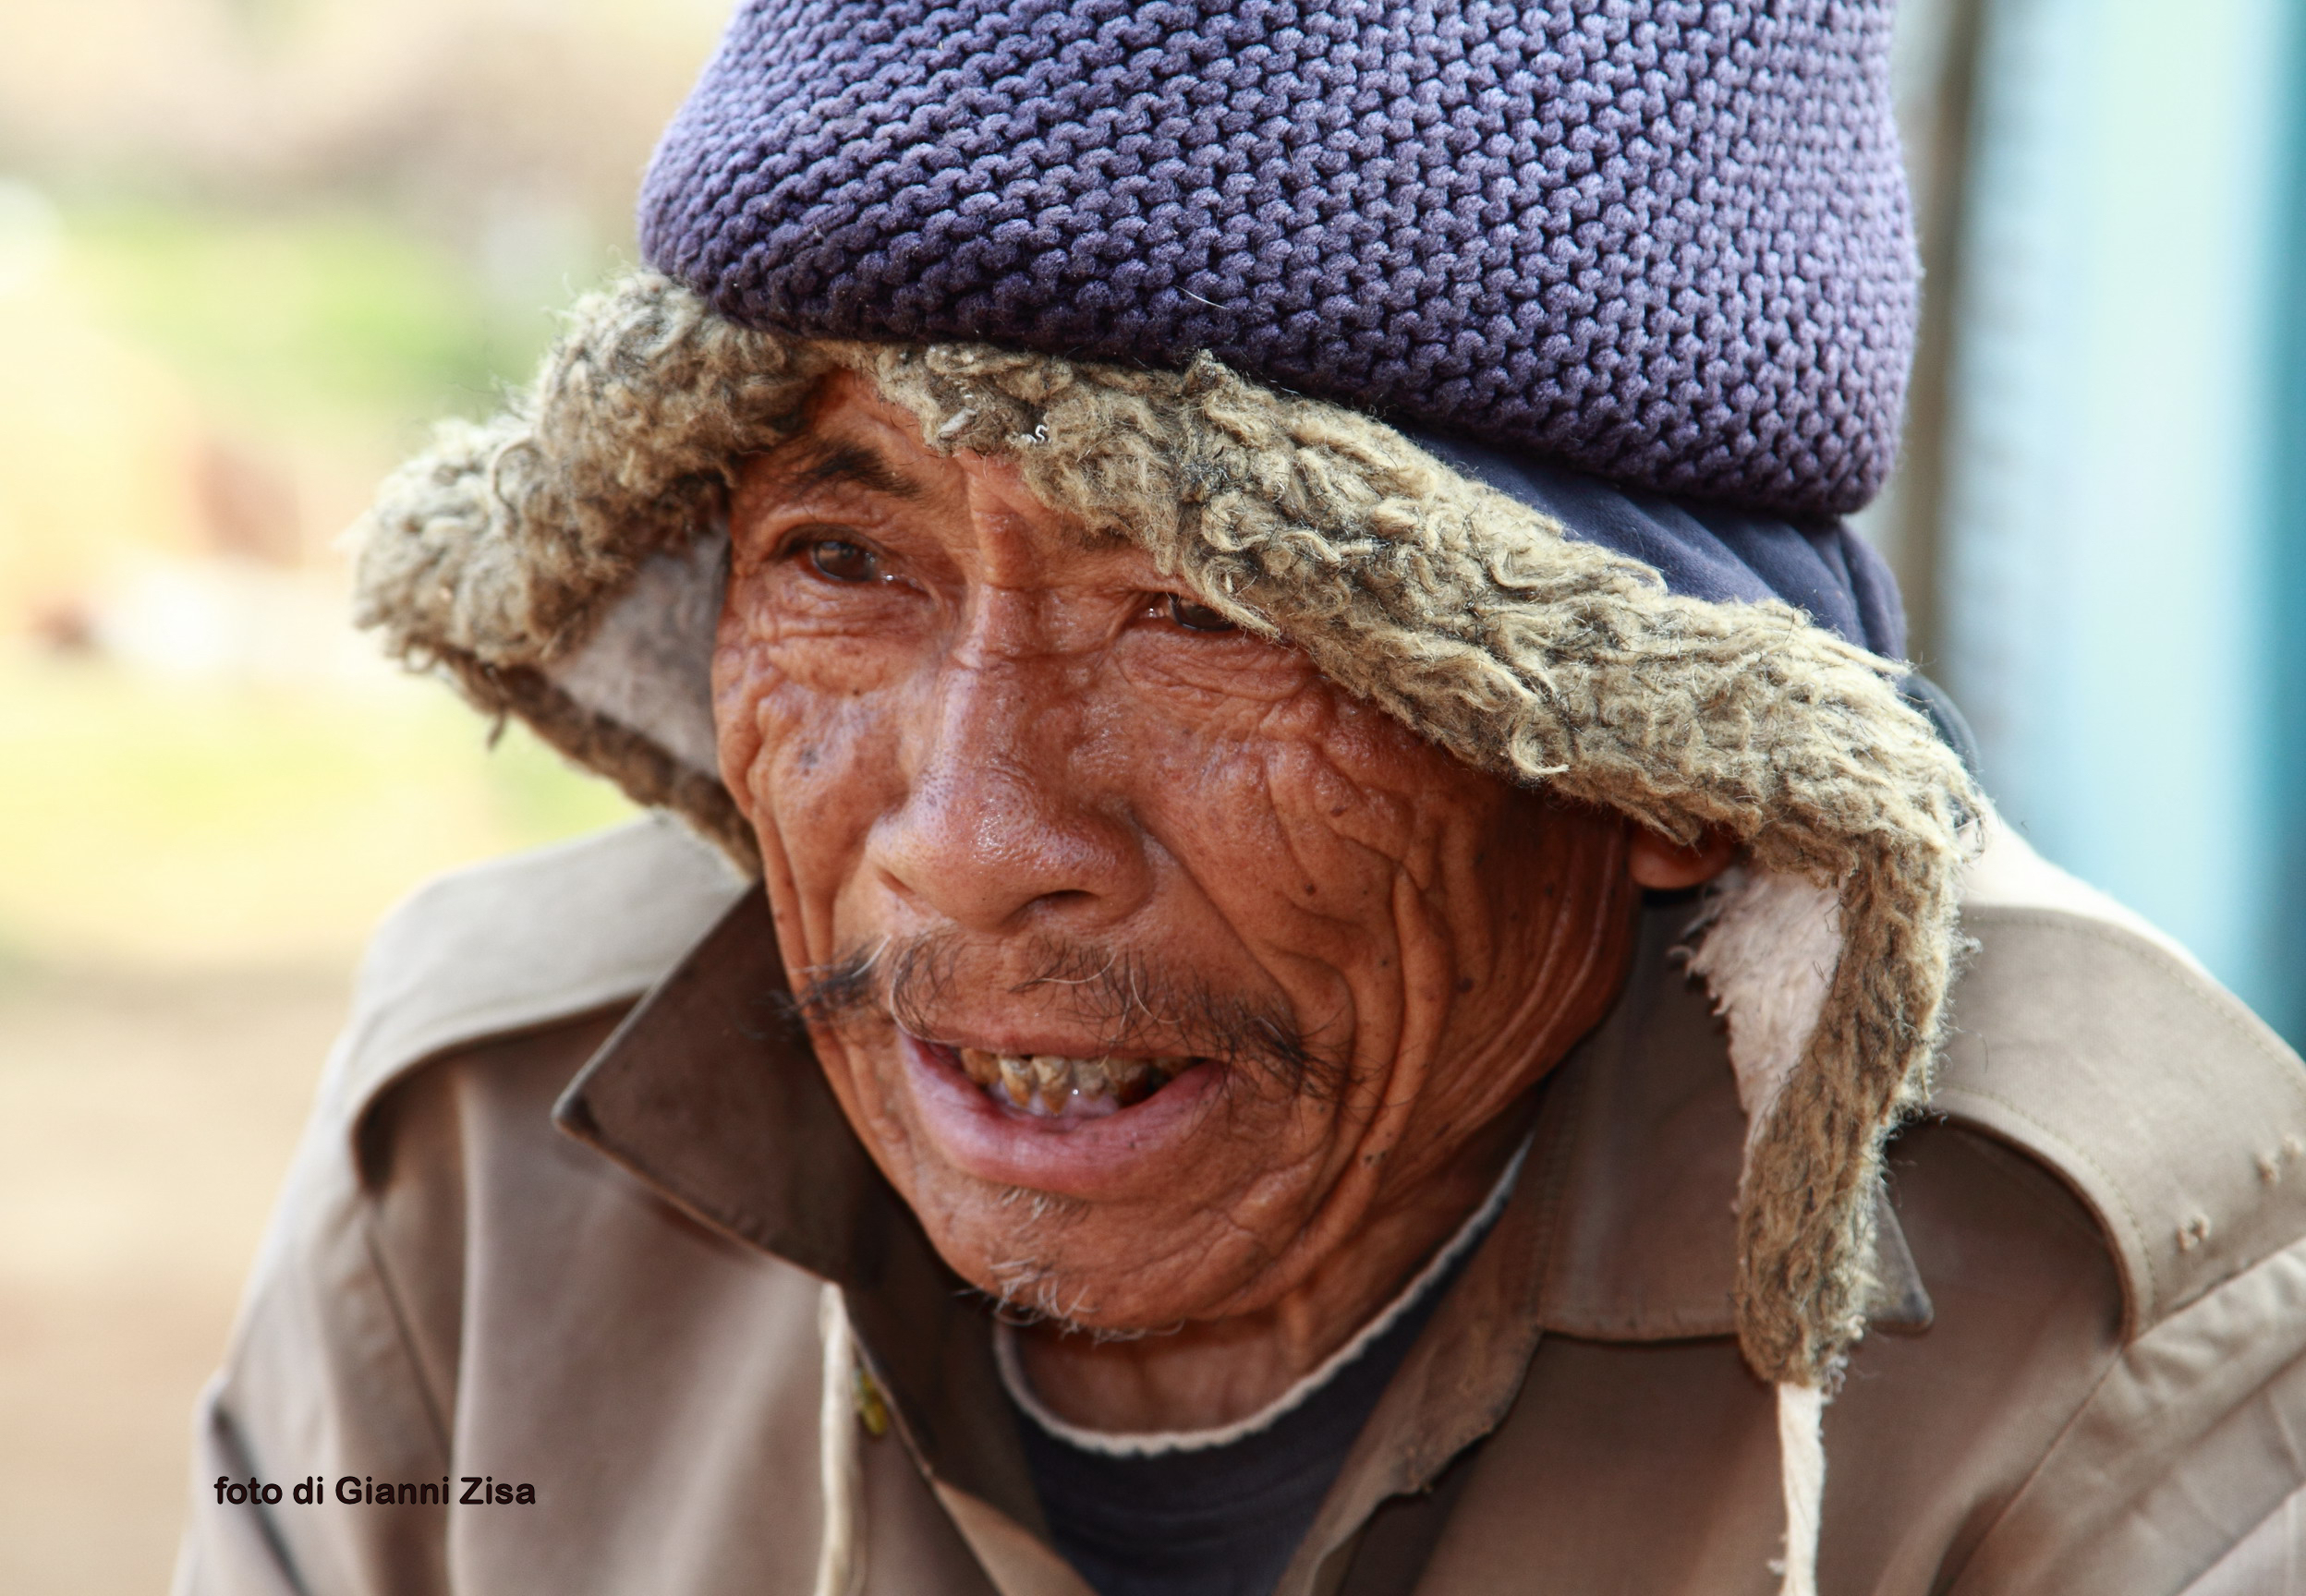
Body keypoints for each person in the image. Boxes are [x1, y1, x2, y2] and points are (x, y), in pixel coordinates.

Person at [177, 4, 2306, 1592]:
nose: (969, 836)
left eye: (1209, 614)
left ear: (1675, 769)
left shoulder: (2128, 1338)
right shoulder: (479, 1153)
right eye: (844, 560)